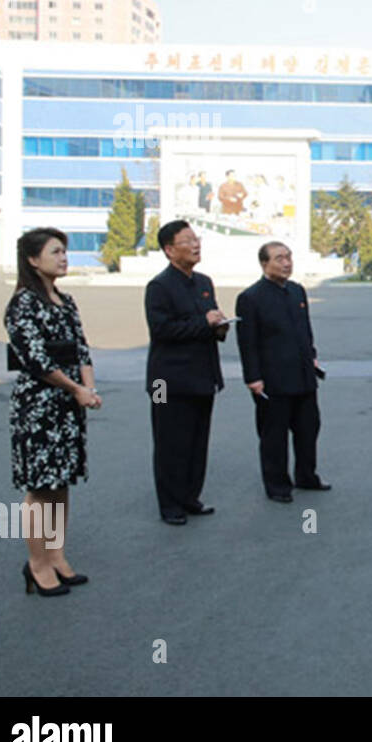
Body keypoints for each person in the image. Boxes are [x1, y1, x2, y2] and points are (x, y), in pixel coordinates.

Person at [5, 228, 101, 597]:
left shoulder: (66, 300)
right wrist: (77, 388)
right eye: (55, 251)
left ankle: (57, 555)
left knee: (60, 484)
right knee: (40, 487)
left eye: (65, 251)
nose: (64, 258)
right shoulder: (23, 304)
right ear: (33, 259)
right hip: (39, 404)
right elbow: (36, 360)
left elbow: (81, 348)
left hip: (68, 403)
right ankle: (37, 564)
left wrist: (88, 388)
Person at [145, 220, 228, 524]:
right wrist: (204, 324)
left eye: (197, 240)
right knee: (169, 443)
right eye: (187, 241)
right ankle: (170, 505)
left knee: (196, 441)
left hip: (202, 375)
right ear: (169, 250)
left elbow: (210, 322)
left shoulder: (204, 282)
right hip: (164, 381)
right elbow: (162, 330)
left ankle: (190, 496)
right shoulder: (159, 286)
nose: (196, 245)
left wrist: (219, 326)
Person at [235, 241, 330, 502]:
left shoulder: (297, 292)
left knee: (309, 429)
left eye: (289, 257)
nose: (287, 263)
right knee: (274, 435)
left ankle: (306, 476)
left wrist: (312, 356)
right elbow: (247, 343)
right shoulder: (251, 298)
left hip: (303, 376)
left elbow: (305, 331)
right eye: (279, 258)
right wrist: (253, 378)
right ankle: (277, 485)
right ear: (264, 264)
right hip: (272, 380)